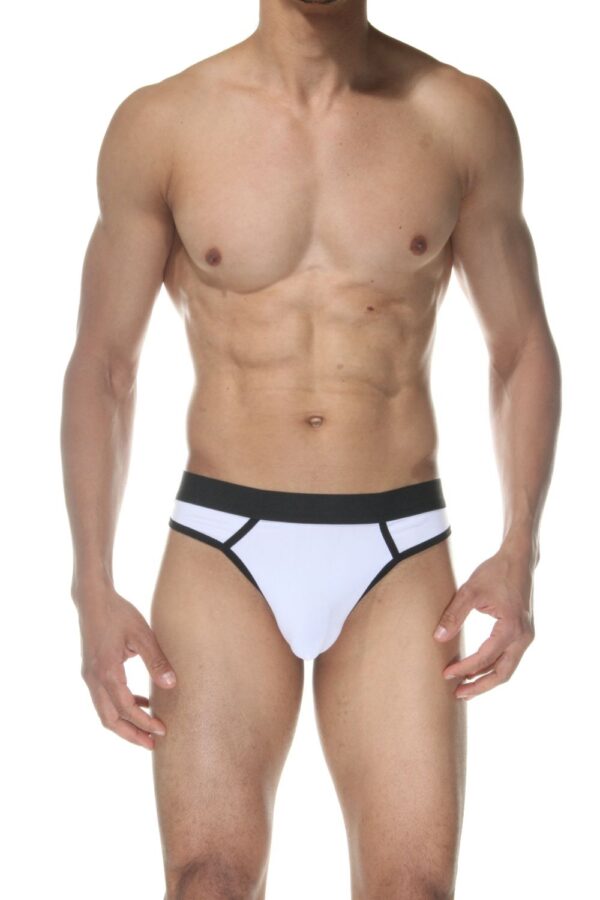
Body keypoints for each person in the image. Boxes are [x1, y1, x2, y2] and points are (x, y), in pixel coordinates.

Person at [60, 0, 562, 896]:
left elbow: (520, 346)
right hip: (222, 547)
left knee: (411, 889)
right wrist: (90, 584)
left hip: (398, 551)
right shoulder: (163, 123)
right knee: (208, 880)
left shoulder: (458, 115)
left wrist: (521, 546)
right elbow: (104, 366)